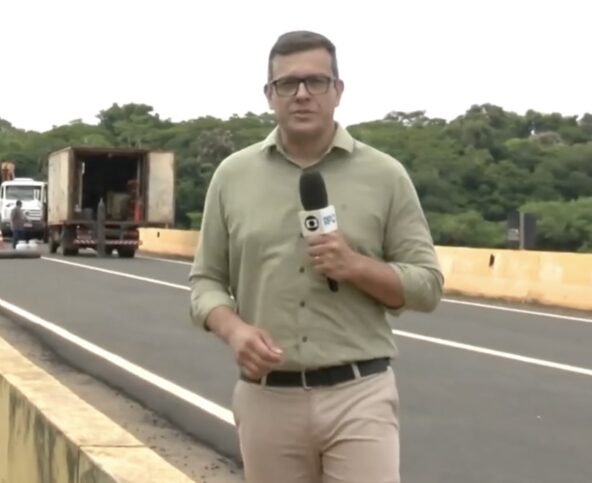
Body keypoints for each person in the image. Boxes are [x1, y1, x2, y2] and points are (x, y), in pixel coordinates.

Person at [188, 30, 444, 483]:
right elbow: (206, 281)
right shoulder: (233, 176)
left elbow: (427, 286)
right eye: (287, 84)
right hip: (268, 397)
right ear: (269, 96)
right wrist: (233, 330)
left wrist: (356, 266)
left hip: (359, 392)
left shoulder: (385, 175)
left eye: (316, 82)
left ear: (338, 91)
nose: (302, 94)